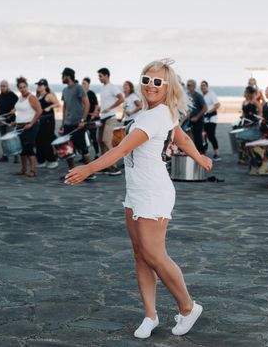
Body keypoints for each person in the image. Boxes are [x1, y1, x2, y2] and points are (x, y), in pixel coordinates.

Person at [65, 59, 212, 339]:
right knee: (140, 255)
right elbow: (182, 139)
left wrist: (88, 168)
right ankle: (150, 315)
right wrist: (199, 157)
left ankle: (188, 307)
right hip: (136, 191)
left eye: (158, 82)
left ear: (168, 86)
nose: (151, 86)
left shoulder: (157, 115)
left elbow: (120, 150)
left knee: (155, 254)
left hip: (154, 192)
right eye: (147, 79)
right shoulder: (156, 112)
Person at [60, 68, 94, 176]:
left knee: (83, 148)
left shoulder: (78, 88)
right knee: (68, 150)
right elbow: (64, 107)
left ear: (68, 76)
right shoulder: (64, 90)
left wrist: (83, 120)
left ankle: (90, 173)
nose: (62, 78)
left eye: (63, 76)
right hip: (68, 124)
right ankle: (72, 173)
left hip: (78, 124)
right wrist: (62, 123)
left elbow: (87, 104)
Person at [10, 77, 42, 177]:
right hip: (20, 125)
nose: (23, 89)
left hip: (30, 126)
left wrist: (31, 124)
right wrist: (15, 122)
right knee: (21, 149)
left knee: (28, 148)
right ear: (18, 88)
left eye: (24, 87)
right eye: (20, 87)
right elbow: (22, 112)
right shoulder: (20, 98)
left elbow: (39, 111)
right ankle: (23, 169)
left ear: (27, 87)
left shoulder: (31, 97)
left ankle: (33, 170)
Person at [98, 67, 124, 175]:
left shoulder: (112, 87)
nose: (99, 78)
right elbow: (104, 103)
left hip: (110, 117)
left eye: (100, 76)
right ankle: (105, 166)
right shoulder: (102, 88)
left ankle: (114, 167)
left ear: (106, 76)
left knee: (107, 141)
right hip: (102, 117)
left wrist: (110, 108)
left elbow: (121, 99)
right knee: (101, 142)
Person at [35, 79, 59, 169]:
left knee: (46, 140)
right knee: (38, 140)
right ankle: (41, 160)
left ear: (45, 86)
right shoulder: (37, 97)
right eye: (38, 85)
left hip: (48, 121)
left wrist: (50, 107)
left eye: (40, 85)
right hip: (40, 121)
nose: (38, 87)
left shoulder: (48, 96)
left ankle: (52, 160)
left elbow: (57, 103)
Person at [0, 80, 19, 163]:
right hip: (1, 120)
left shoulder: (12, 95)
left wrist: (14, 109)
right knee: (3, 139)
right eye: (1, 86)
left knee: (11, 138)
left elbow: (19, 104)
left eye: (4, 86)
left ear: (7, 86)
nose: (2, 88)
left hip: (10, 120)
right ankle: (5, 156)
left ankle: (16, 157)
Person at [200, 80, 221, 161]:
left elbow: (217, 105)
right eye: (201, 86)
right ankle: (203, 152)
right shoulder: (201, 96)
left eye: (204, 85)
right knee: (204, 136)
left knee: (211, 136)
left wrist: (209, 112)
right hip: (203, 119)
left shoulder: (211, 94)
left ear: (207, 86)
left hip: (212, 119)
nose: (202, 87)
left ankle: (217, 154)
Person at [186, 80, 207, 153]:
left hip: (198, 120)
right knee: (190, 138)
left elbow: (205, 108)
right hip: (189, 120)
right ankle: (193, 154)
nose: (187, 86)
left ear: (194, 87)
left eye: (189, 85)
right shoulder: (187, 95)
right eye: (187, 85)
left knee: (198, 138)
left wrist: (197, 117)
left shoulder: (198, 96)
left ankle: (201, 154)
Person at [82, 77, 100, 158]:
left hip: (92, 118)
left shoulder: (91, 93)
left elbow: (96, 105)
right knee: (83, 137)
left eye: (84, 83)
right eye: (82, 83)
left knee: (93, 137)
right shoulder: (81, 94)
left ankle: (97, 154)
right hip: (84, 118)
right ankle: (84, 156)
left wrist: (93, 115)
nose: (83, 85)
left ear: (88, 84)